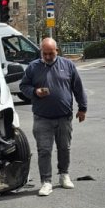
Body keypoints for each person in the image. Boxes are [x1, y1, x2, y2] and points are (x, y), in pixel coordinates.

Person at [19, 38, 87, 197]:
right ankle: (46, 182)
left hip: (64, 117)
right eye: (45, 53)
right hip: (42, 117)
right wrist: (35, 92)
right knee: (44, 150)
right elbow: (23, 86)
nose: (48, 56)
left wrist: (82, 108)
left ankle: (64, 175)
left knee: (64, 147)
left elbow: (78, 87)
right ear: (41, 52)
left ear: (57, 50)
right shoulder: (33, 67)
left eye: (51, 53)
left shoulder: (68, 65)